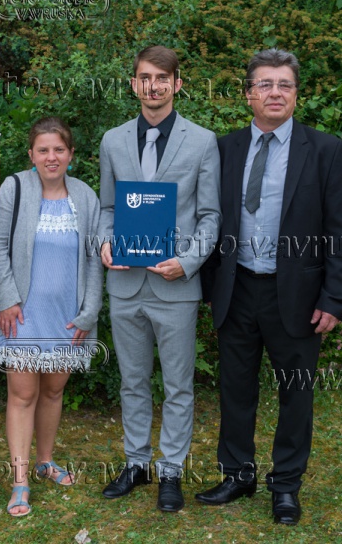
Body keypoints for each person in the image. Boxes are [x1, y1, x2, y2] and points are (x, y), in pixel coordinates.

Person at [196, 48, 342, 526]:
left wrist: (334, 298)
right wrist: (209, 285)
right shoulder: (223, 149)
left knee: (296, 394)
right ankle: (237, 475)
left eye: (284, 84)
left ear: (296, 94)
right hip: (237, 289)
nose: (275, 93)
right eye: (264, 84)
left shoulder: (324, 150)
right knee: (235, 390)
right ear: (248, 94)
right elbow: (208, 218)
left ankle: (285, 485)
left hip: (299, 297)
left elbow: (340, 231)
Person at [97, 45, 221, 512]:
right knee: (132, 381)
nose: (154, 86)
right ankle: (136, 463)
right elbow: (108, 208)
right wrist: (104, 243)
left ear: (177, 84)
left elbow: (210, 216)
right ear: (134, 84)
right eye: (145, 77)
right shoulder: (112, 141)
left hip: (176, 285)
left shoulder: (202, 141)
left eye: (162, 78)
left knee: (178, 386)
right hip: (125, 284)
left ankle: (171, 471)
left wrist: (188, 262)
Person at [0, 117, 103, 518]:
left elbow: (95, 257)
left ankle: (45, 460)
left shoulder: (85, 196)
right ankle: (20, 481)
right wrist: (8, 298)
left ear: (71, 154)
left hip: (67, 318)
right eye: (43, 150)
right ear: (31, 154)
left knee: (54, 392)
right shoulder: (15, 188)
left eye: (59, 149)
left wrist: (89, 312)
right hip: (22, 314)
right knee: (23, 395)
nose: (51, 157)